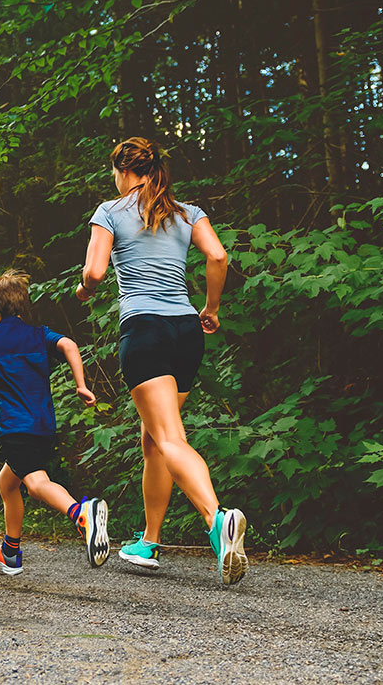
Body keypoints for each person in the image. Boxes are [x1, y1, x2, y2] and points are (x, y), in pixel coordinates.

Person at [76, 136, 247, 585]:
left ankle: (217, 520)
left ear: (122, 170)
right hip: (186, 330)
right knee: (153, 438)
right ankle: (148, 541)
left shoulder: (110, 212)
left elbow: (94, 272)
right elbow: (217, 255)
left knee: (169, 437)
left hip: (146, 328)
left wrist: (84, 290)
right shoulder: (188, 212)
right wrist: (210, 308)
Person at [0, 270, 109, 574]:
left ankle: (81, 513)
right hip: (43, 427)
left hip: (16, 429)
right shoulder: (38, 334)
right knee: (6, 483)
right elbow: (69, 346)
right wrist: (81, 384)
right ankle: (10, 552)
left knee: (37, 484)